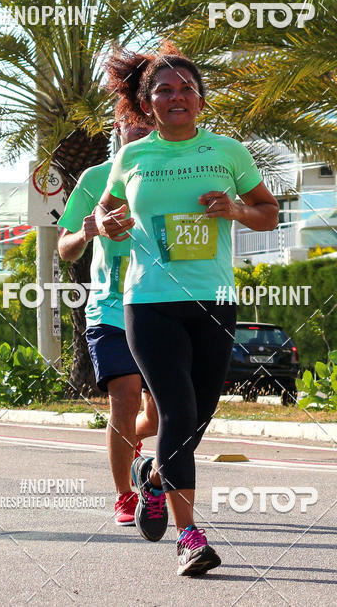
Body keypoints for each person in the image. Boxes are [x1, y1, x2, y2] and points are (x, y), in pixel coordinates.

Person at [95, 42, 279, 576]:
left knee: (198, 415)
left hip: (213, 300)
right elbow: (106, 210)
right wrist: (108, 223)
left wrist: (237, 209)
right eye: (164, 90)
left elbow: (268, 213)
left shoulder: (228, 152)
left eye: (185, 89)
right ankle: (190, 538)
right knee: (176, 411)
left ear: (200, 100)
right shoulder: (132, 157)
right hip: (149, 301)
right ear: (146, 103)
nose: (176, 97)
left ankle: (154, 477)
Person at [57, 109, 159, 526]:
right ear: (117, 128)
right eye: (131, 121)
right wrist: (87, 232)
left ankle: (131, 444)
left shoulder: (172, 173)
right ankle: (125, 496)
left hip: (161, 305)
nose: (140, 128)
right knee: (124, 398)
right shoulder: (95, 178)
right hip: (110, 307)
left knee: (160, 415)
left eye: (147, 121)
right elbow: (65, 248)